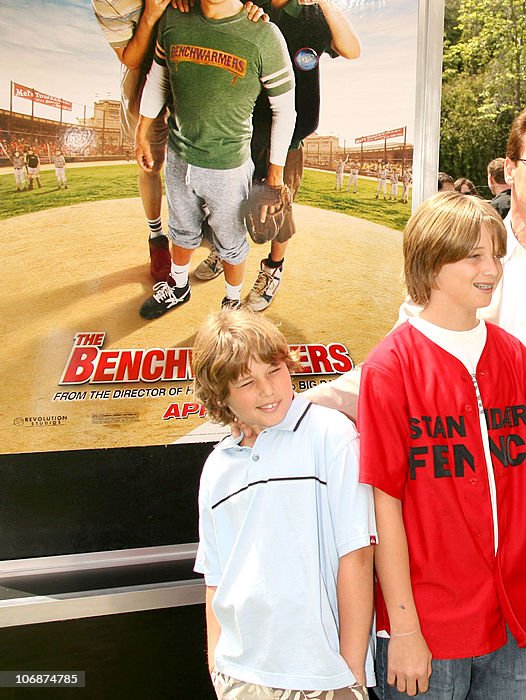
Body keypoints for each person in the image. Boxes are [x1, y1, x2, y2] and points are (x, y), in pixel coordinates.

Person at [304, 101, 526, 700]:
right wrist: (293, 407)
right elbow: (397, 367)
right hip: (445, 549)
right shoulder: (459, 250)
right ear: (512, 166)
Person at [359, 191, 526, 699]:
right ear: (430, 262)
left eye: (496, 254)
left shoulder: (514, 357)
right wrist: (402, 628)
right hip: (429, 625)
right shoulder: (391, 367)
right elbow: (385, 504)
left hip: (513, 614)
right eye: (474, 255)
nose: (491, 268)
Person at [192, 309, 375, 700]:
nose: (267, 390)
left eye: (273, 371)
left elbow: (357, 555)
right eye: (246, 382)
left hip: (325, 675)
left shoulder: (331, 434)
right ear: (221, 395)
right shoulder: (216, 469)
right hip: (239, 677)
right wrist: (217, 670)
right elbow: (216, 579)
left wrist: (351, 671)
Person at [190, 0, 361, 312]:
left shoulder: (314, 15)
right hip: (243, 128)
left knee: (278, 206)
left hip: (290, 134)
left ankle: (273, 268)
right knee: (230, 199)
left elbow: (351, 49)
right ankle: (225, 249)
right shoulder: (248, 5)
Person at [134, 0, 296, 318]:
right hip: (179, 154)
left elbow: (284, 110)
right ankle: (179, 287)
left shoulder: (264, 34)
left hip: (228, 165)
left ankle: (232, 304)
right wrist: (142, 130)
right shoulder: (175, 19)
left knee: (231, 240)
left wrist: (275, 175)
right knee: (180, 228)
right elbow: (158, 76)